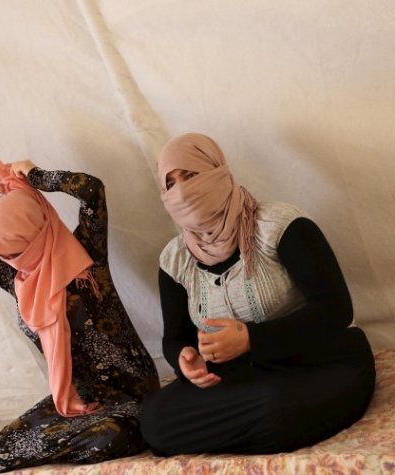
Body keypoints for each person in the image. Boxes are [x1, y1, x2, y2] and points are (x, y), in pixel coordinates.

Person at [139, 133, 376, 455]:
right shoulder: (175, 259)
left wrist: (252, 339)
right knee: (155, 421)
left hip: (318, 362)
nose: (181, 190)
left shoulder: (281, 226)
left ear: (218, 172)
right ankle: (269, 430)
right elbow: (174, 338)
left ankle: (258, 428)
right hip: (245, 377)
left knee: (279, 408)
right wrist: (184, 360)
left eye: (191, 175)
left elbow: (335, 310)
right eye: (170, 184)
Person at [0, 143, 159, 472]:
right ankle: (76, 438)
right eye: (3, 255)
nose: (10, 262)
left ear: (38, 232)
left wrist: (37, 175)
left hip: (131, 393)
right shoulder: (15, 276)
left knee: (111, 436)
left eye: (15, 252)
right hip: (78, 396)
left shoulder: (87, 255)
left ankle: (85, 438)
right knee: (0, 451)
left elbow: (92, 190)